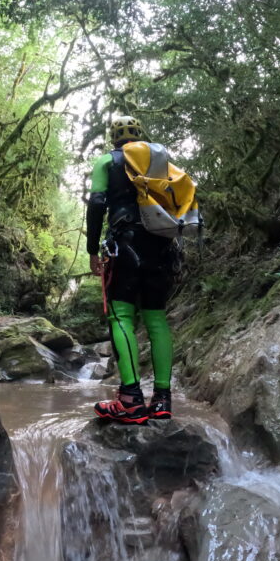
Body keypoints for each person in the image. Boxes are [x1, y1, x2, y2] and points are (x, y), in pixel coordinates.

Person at [86, 116, 178, 424]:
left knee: (122, 316)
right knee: (156, 318)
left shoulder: (106, 162)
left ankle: (130, 400)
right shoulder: (159, 160)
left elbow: (97, 203)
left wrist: (91, 250)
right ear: (140, 135)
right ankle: (162, 399)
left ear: (113, 138)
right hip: (162, 248)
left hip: (124, 246)